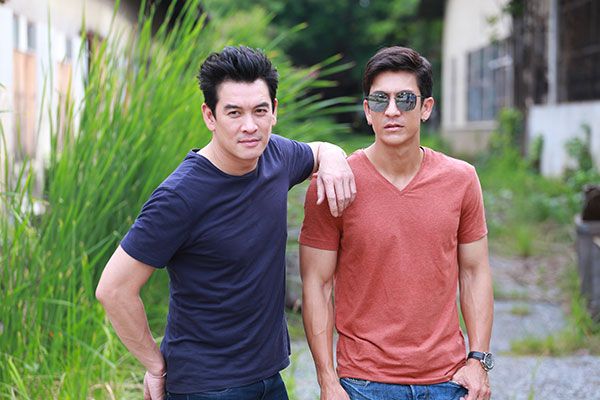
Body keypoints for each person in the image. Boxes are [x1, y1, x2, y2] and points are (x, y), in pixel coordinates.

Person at [96, 45, 356, 400]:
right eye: (234, 112)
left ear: (274, 111)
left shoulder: (276, 155)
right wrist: (155, 366)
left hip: (270, 378)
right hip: (207, 387)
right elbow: (113, 289)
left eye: (259, 111)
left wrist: (335, 157)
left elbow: (319, 150)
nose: (249, 126)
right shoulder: (180, 196)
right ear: (210, 116)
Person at [299, 46, 494, 400]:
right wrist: (327, 380)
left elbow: (475, 272)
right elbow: (317, 283)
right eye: (380, 100)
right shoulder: (334, 184)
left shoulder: (461, 179)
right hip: (362, 382)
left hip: (447, 380)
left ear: (426, 108)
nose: (392, 110)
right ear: (367, 111)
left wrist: (478, 361)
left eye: (405, 99)